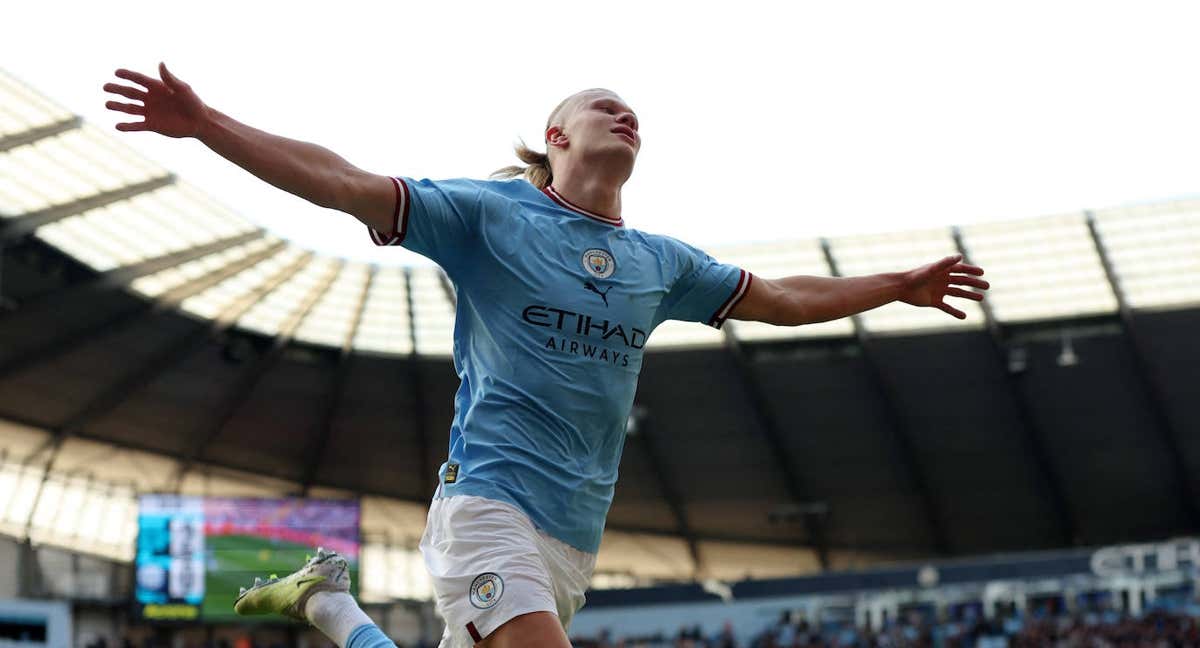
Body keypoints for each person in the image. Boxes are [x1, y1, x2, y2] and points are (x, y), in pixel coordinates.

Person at [104, 63, 989, 648]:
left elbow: (787, 299)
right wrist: (207, 122)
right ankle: (327, 604)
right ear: (555, 139)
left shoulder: (662, 263)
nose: (624, 112)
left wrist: (896, 283)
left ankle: (328, 605)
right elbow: (341, 181)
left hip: (574, 538)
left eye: (632, 110)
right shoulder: (492, 215)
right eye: (600, 105)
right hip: (490, 501)